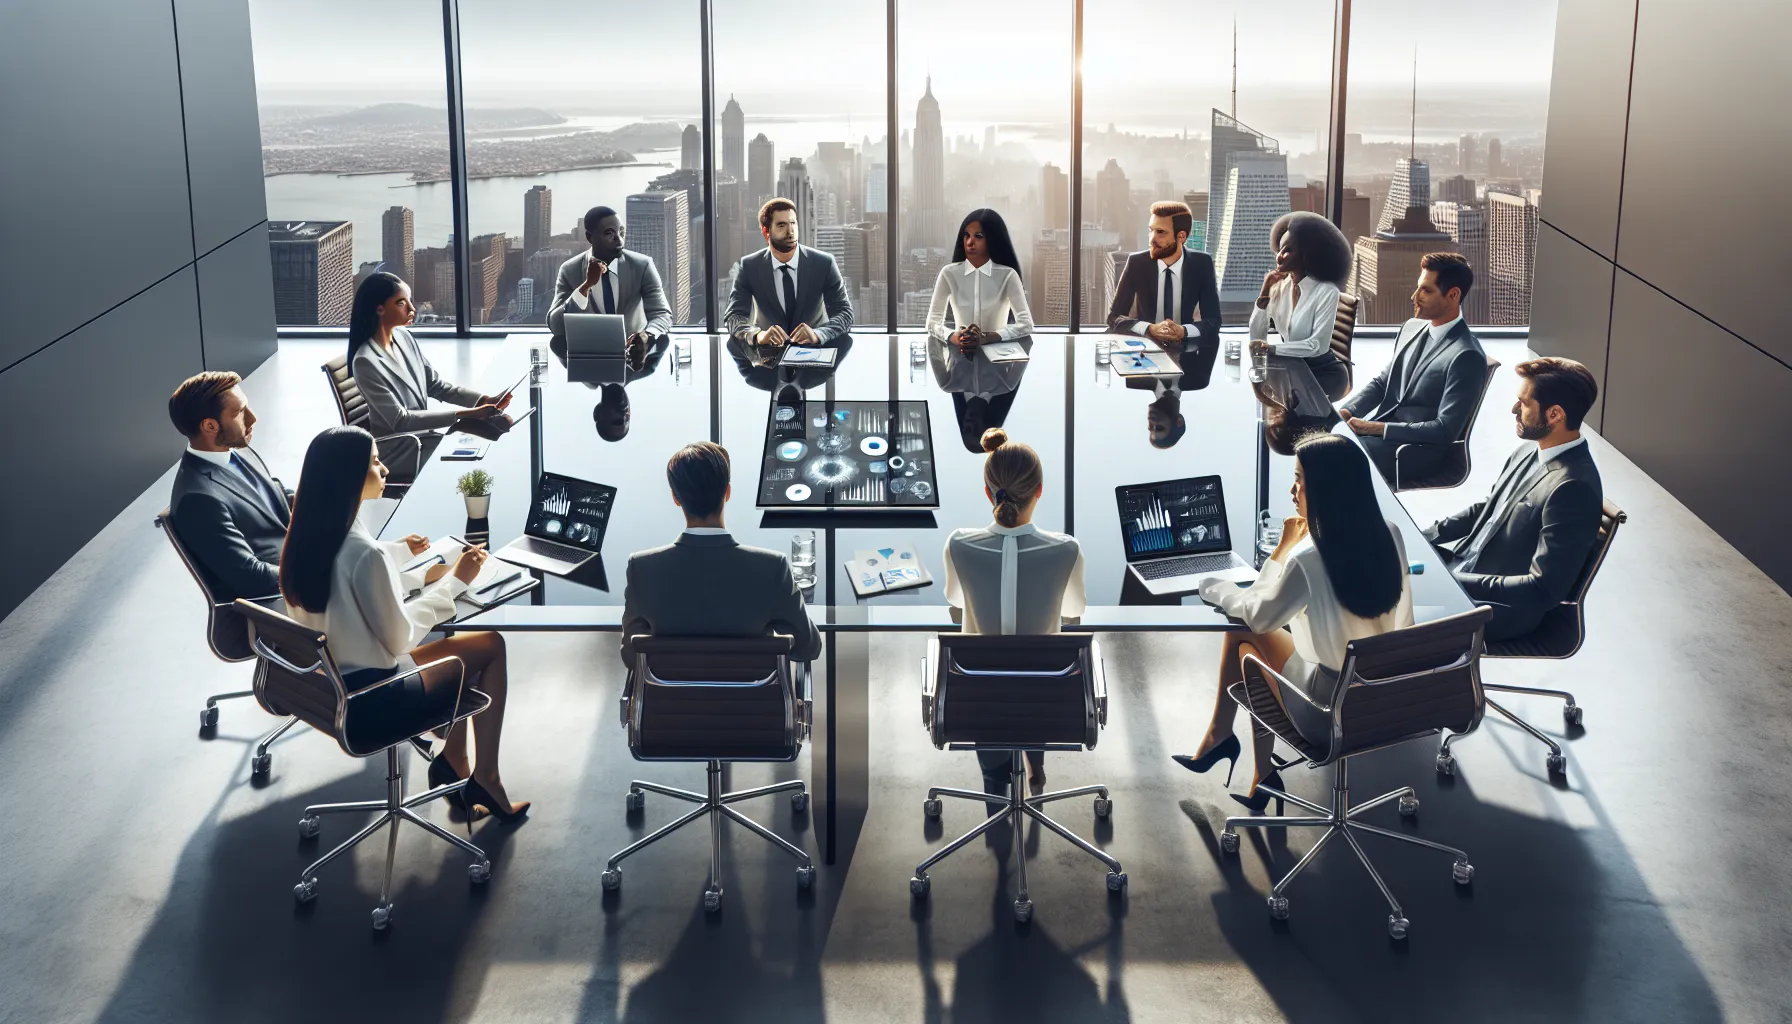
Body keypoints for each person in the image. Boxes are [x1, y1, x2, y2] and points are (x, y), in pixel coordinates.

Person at [281, 426, 528, 820]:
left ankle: (454, 759)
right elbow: (400, 640)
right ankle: (486, 778)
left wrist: (423, 577)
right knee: (490, 645)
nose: (384, 469)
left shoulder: (306, 538)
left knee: (458, 643)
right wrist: (456, 582)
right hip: (376, 697)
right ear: (348, 477)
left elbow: (353, 595)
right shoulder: (364, 553)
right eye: (374, 463)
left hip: (331, 686)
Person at [1174, 433, 1413, 810]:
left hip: (1326, 710)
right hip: (1383, 697)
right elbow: (1405, 622)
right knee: (1251, 639)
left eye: (1300, 479)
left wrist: (1215, 587)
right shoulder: (1390, 534)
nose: (1292, 490)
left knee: (1242, 637)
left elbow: (1258, 616)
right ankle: (1255, 770)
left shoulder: (1309, 558)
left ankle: (1229, 745)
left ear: (1326, 487)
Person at [941, 428, 1087, 800]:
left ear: (988, 492)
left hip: (975, 699)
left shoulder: (959, 544)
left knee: (992, 686)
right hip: (1049, 698)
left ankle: (996, 788)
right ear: (1040, 491)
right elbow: (1074, 612)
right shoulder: (1066, 549)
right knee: (1033, 675)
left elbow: (956, 603)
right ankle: (1035, 766)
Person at [1426, 357, 1604, 641]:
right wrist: (1424, 536)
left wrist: (1452, 582)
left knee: (1377, 611)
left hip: (1498, 610)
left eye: (1524, 403)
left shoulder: (1573, 487)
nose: (1514, 409)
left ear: (1555, 414)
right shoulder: (1527, 451)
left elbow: (1542, 588)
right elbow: (1487, 509)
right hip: (1464, 570)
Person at [619, 442, 822, 667]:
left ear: (676, 498)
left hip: (672, 702)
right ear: (727, 492)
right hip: (751, 701)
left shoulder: (642, 569)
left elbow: (631, 656)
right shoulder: (772, 568)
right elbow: (808, 647)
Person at [1337, 252, 1488, 485]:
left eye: (1426, 291)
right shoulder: (1410, 329)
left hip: (1414, 452)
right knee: (1319, 442)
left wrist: (1376, 428)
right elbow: (1382, 383)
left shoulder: (1466, 356)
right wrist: (1347, 411)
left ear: (1453, 295)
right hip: (1382, 439)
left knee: (1332, 456)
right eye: (1418, 288)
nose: (1414, 297)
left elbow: (1444, 430)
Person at [348, 272, 510, 479]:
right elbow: (400, 421)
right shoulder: (365, 361)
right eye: (401, 303)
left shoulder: (403, 337)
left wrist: (483, 400)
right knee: (474, 457)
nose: (412, 309)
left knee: (485, 440)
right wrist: (469, 414)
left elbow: (435, 385)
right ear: (380, 309)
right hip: (400, 450)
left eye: (410, 301)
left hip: (421, 438)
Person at [166, 371, 291, 601]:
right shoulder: (198, 500)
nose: (253, 418)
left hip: (298, 559)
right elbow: (252, 577)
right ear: (210, 426)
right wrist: (314, 573)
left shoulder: (236, 450)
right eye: (240, 412)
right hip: (280, 599)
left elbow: (272, 493)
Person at [925, 210, 1036, 451]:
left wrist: (988, 337)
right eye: (966, 235)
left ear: (992, 240)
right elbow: (932, 321)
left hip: (991, 346)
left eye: (978, 236)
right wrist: (954, 336)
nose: (969, 242)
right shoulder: (949, 273)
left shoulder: (1007, 275)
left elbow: (1027, 324)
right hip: (960, 343)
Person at [1106, 200, 1222, 391]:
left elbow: (1213, 321)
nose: (1152, 238)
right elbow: (1114, 318)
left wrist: (1184, 331)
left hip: (1186, 352)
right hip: (1144, 352)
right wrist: (1149, 328)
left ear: (1181, 236)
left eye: (1160, 232)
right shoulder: (1137, 263)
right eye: (1151, 230)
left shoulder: (1202, 264)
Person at [725, 198, 855, 360]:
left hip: (815, 356)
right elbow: (733, 316)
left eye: (793, 223)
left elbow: (845, 313)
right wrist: (757, 335)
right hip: (769, 359)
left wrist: (818, 334)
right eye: (781, 225)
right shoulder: (749, 266)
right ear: (766, 232)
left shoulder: (824, 263)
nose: (791, 231)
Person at [546, 205, 674, 362]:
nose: (619, 239)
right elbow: (556, 325)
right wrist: (585, 287)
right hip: (588, 360)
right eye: (609, 233)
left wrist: (647, 336)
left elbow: (662, 314)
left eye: (621, 232)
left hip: (634, 360)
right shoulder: (569, 270)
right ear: (589, 237)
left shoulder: (642, 266)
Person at [1249, 211, 1354, 401]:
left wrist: (1270, 350)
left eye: (1288, 250)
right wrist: (1264, 292)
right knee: (1264, 397)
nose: (1279, 257)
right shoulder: (1280, 287)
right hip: (1291, 369)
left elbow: (1317, 346)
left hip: (1324, 374)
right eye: (1279, 250)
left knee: (1284, 405)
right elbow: (1256, 336)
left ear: (1307, 255)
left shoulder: (1326, 291)